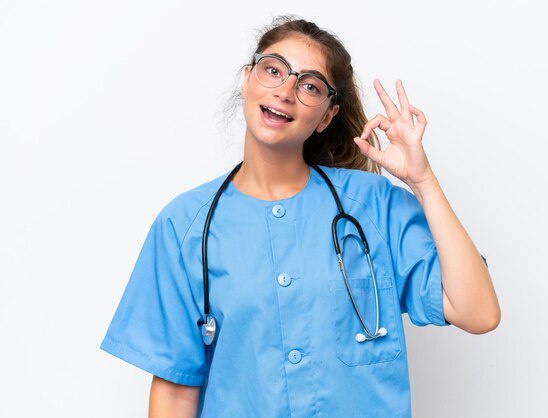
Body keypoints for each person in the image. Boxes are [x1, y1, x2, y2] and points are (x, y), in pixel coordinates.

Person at [101, 16, 500, 418]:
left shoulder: (375, 204)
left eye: (309, 85)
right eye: (273, 70)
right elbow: (174, 392)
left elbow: (478, 312)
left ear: (327, 115)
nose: (286, 91)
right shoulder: (183, 226)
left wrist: (423, 180)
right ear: (247, 80)